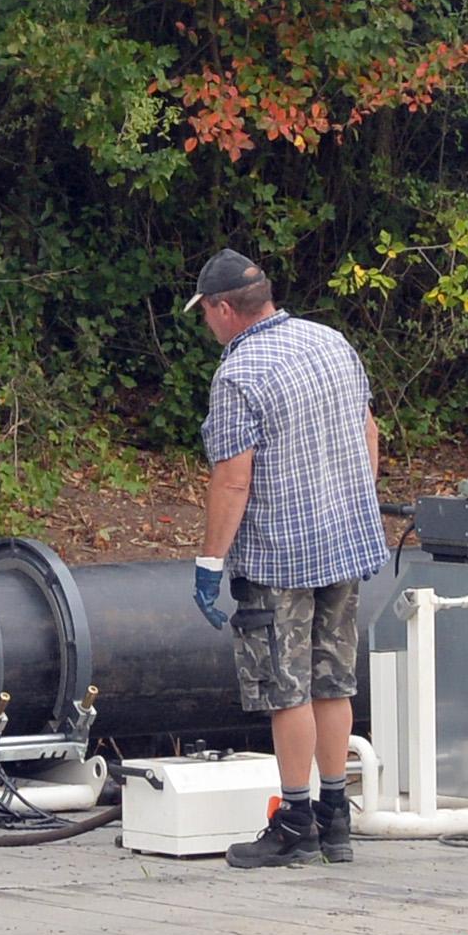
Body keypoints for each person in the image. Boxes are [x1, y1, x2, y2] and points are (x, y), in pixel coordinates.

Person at [186, 249, 386, 868]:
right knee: (334, 681)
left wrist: (210, 561)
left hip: (278, 557)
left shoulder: (240, 372)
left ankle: (295, 820)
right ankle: (337, 820)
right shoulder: (331, 343)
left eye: (206, 315)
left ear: (224, 309)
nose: (207, 327)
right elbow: (369, 433)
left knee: (287, 689)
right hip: (345, 544)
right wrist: (355, 503)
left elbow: (232, 480)